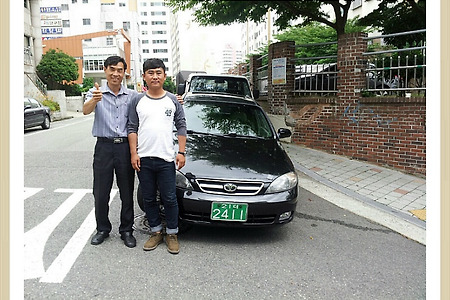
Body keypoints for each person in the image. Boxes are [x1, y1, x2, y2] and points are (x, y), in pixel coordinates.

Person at [127, 58, 187, 254]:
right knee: (149, 198)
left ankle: (172, 233)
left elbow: (181, 126)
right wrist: (134, 153)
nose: (155, 76)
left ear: (164, 75)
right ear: (144, 76)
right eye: (150, 73)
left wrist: (181, 152)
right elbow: (132, 128)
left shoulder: (172, 100)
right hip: (144, 159)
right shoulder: (137, 100)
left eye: (158, 72)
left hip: (166, 159)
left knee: (170, 198)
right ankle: (155, 231)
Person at [83, 55, 137, 248]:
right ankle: (102, 229)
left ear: (124, 72)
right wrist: (95, 100)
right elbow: (85, 110)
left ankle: (127, 230)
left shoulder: (132, 96)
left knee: (126, 190)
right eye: (112, 69)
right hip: (103, 146)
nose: (116, 73)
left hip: (124, 147)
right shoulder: (95, 92)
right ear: (105, 70)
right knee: (100, 191)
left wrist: (176, 100)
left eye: (119, 70)